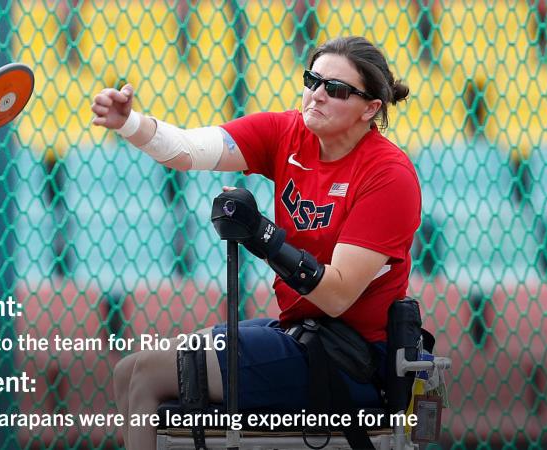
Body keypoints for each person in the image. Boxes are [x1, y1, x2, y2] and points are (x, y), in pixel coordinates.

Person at [90, 36, 419, 450]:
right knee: (127, 370)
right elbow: (188, 150)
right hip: (302, 333)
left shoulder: (389, 176)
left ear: (370, 108)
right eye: (311, 80)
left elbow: (336, 295)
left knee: (149, 375)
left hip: (353, 358)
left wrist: (263, 236)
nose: (316, 95)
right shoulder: (286, 132)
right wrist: (130, 124)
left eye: (335, 89)